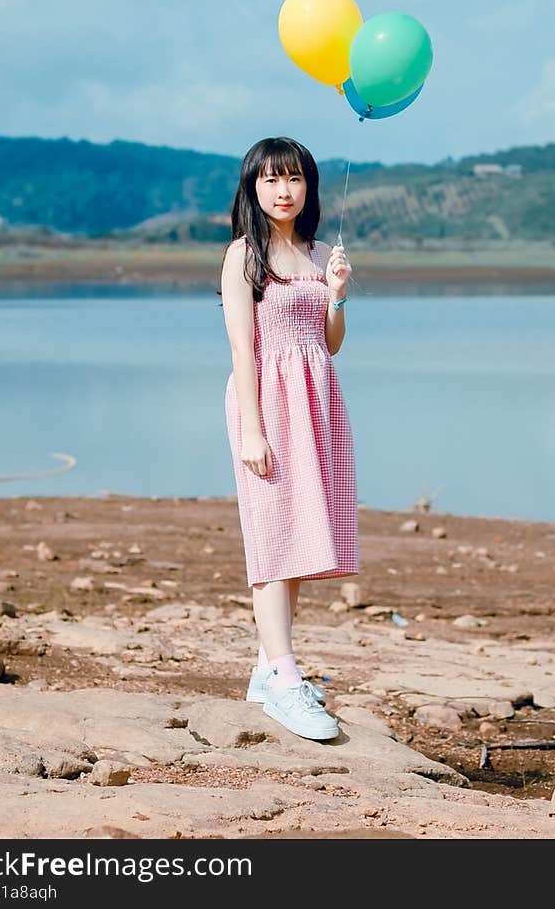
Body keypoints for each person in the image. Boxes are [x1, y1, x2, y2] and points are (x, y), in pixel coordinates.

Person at [219, 136, 357, 741]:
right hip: (267, 403)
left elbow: (330, 343)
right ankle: (284, 676)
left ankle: (266, 668)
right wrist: (252, 428)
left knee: (300, 539)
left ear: (309, 187)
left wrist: (337, 295)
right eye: (272, 180)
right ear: (253, 188)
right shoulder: (243, 257)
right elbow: (241, 350)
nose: (284, 190)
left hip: (317, 401)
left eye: (294, 179)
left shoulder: (319, 250)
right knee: (273, 536)